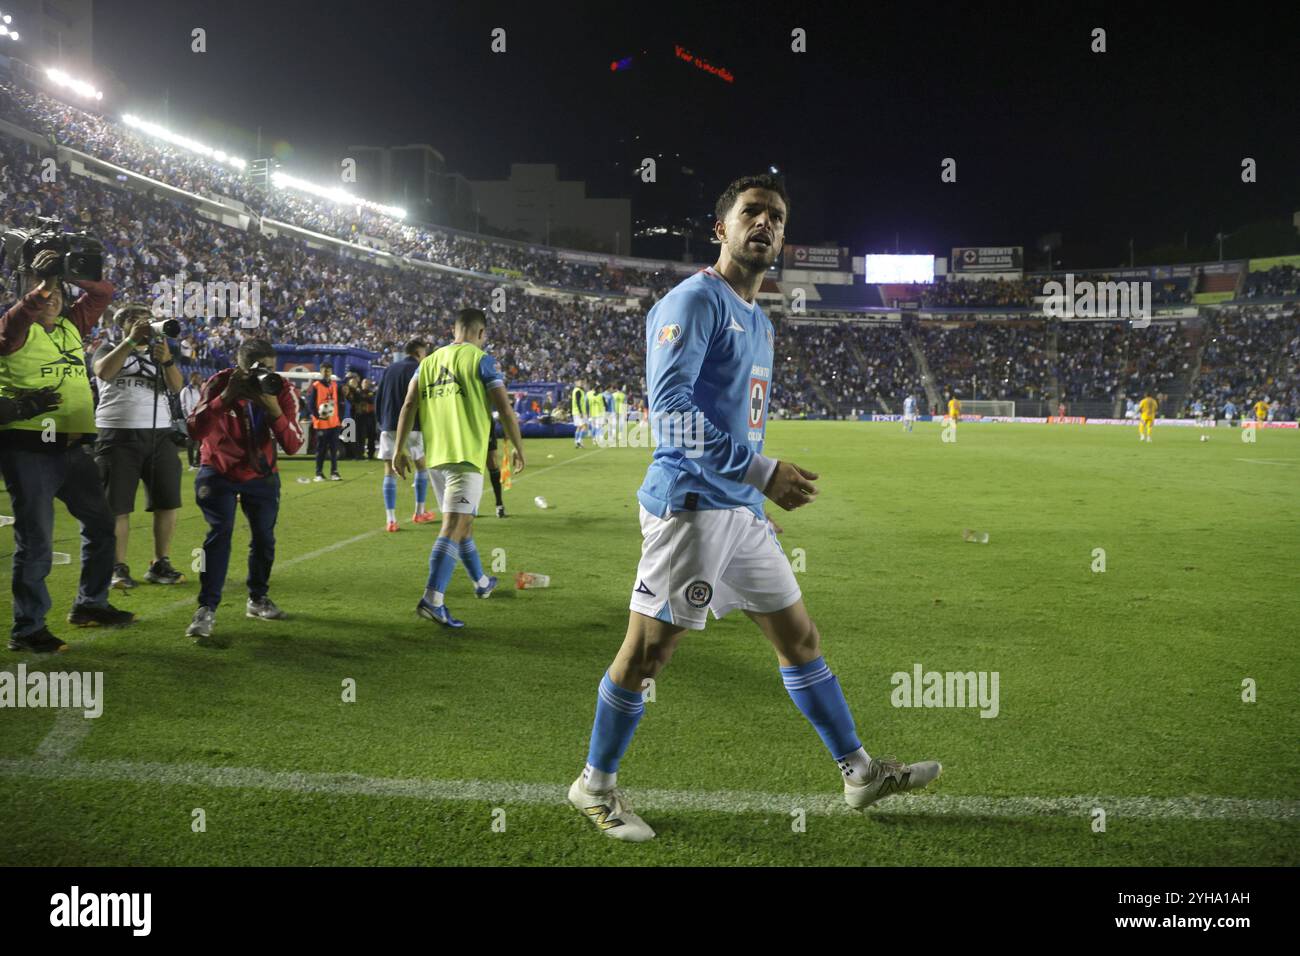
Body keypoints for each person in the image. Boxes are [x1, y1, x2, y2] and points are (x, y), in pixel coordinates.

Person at [566, 174, 939, 842]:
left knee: (799, 639)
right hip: (689, 506)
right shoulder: (694, 300)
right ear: (723, 229)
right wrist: (761, 473)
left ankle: (859, 773)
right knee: (648, 653)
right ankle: (594, 786)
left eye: (776, 216)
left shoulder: (760, 322)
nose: (764, 223)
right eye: (750, 212)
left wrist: (751, 494)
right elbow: (673, 415)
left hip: (737, 511)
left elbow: (738, 419)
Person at [0, 248, 134, 653]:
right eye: (45, 293)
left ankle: (90, 605)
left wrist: (66, 272)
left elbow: (103, 292)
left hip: (73, 450)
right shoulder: (12, 327)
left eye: (59, 295)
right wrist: (43, 286)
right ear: (27, 292)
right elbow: (24, 313)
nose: (53, 298)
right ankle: (28, 628)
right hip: (29, 448)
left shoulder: (69, 326)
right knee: (36, 540)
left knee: (101, 526)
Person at [393, 308, 526, 628]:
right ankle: (432, 599)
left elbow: (409, 404)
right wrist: (518, 447)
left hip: (436, 458)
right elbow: (504, 406)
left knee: (462, 523)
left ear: (454, 330)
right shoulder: (481, 360)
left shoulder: (427, 362)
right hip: (465, 457)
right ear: (481, 333)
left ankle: (481, 582)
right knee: (453, 526)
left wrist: (399, 449)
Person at [184, 338, 304, 643]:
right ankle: (206, 608)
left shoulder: (282, 389)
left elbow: (293, 445)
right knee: (219, 533)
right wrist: (225, 398)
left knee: (264, 537)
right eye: (259, 369)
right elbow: (195, 429)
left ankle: (258, 598)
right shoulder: (219, 383)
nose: (266, 375)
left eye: (270, 369)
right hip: (218, 469)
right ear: (239, 366)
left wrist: (273, 409)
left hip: (261, 473)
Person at [92, 303, 185, 589]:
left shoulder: (161, 352)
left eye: (144, 319)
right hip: (117, 433)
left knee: (167, 502)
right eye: (132, 320)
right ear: (121, 325)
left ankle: (160, 562)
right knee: (118, 506)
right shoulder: (107, 347)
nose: (141, 324)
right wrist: (130, 341)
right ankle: (117, 567)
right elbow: (103, 371)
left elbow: (176, 387)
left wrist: (167, 360)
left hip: (159, 433)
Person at [375, 339, 436, 531]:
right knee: (421, 466)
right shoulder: (421, 369)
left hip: (388, 424)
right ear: (419, 352)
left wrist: (382, 422)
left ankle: (390, 520)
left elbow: (379, 397)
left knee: (389, 470)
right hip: (413, 425)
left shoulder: (389, 369)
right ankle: (419, 512)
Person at [309, 362, 342, 481]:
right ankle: (318, 473)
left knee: (334, 449)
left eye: (328, 370)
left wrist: (340, 418)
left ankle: (334, 472)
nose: (326, 372)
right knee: (321, 449)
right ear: (321, 371)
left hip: (334, 423)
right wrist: (318, 417)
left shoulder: (334, 385)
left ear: (331, 372)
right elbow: (311, 404)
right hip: (321, 424)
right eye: (324, 370)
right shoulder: (316, 385)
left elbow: (340, 402)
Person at [179, 370, 203, 469]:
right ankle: (191, 464)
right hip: (191, 420)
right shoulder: (186, 390)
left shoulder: (198, 390)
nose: (200, 379)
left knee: (201, 440)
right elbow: (185, 407)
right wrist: (190, 419)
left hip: (199, 419)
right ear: (192, 378)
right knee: (192, 441)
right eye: (198, 378)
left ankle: (197, 462)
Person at [570, 379, 587, 448]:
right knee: (584, 426)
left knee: (579, 427)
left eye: (582, 382)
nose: (581, 383)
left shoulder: (576, 390)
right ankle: (579, 441)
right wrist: (580, 412)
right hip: (579, 411)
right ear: (576, 383)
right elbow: (577, 402)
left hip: (575, 411)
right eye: (580, 382)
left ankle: (576, 442)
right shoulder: (578, 391)